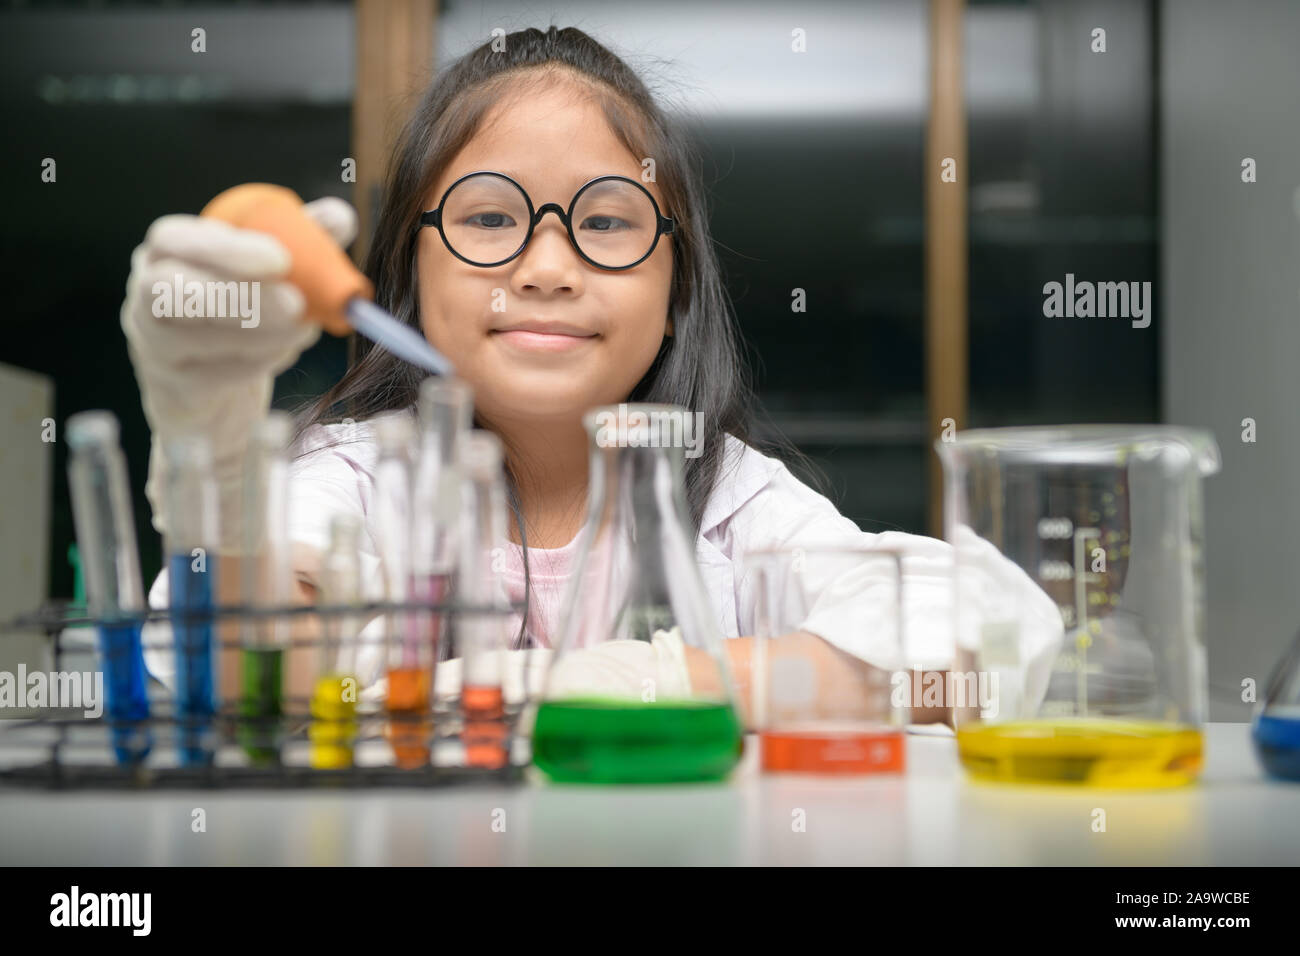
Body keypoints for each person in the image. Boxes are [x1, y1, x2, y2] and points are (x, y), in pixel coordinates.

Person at [121, 25, 1060, 729]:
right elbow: (238, 669)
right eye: (488, 219)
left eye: (606, 222)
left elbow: (987, 639)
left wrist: (642, 680)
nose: (546, 267)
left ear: (676, 283)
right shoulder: (353, 479)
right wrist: (213, 454)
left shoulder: (726, 500)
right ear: (411, 269)